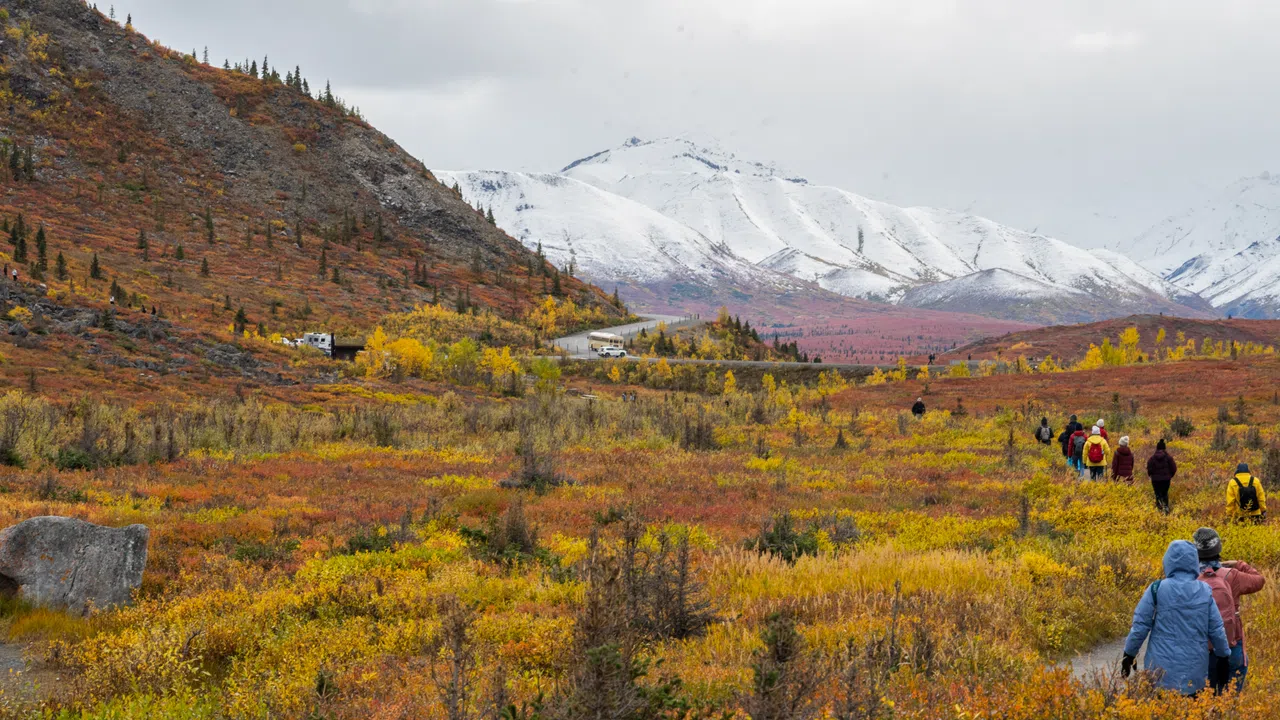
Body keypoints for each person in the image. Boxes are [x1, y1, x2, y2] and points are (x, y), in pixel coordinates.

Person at [1122, 540, 1230, 696]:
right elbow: (1216, 629)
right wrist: (1223, 657)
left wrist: (1129, 654)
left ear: (1168, 561)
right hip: (1195, 671)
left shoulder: (1156, 588)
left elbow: (1140, 626)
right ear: (1194, 562)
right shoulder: (1205, 591)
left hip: (1159, 672)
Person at [1193, 527, 1266, 692]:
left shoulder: (1190, 577)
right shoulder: (1232, 575)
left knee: (1203, 704)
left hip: (1200, 650)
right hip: (1232, 646)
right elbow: (1260, 580)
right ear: (1218, 549)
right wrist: (1239, 564)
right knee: (1229, 702)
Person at [1147, 439, 1177, 514]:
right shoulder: (1169, 458)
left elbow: (1149, 468)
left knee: (1158, 494)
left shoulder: (1152, 458)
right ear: (1164, 448)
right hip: (1166, 480)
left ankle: (1159, 511)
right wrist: (1170, 476)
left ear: (1157, 448)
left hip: (1155, 480)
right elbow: (1174, 468)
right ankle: (1166, 509)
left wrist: (1151, 476)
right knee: (1164, 493)